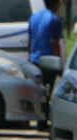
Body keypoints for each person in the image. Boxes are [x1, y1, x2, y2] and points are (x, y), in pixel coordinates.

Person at [28, 0, 63, 130]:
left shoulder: (34, 17)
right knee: (47, 92)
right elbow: (54, 42)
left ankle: (38, 118)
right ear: (56, 3)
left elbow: (30, 40)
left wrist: (29, 56)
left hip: (34, 59)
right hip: (48, 61)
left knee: (38, 92)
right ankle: (43, 121)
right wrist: (58, 61)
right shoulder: (54, 20)